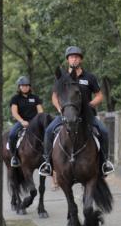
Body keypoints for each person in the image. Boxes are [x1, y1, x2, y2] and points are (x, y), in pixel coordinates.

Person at [39, 46, 114, 177]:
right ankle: (47, 164)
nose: (74, 59)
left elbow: (99, 95)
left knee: (104, 132)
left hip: (87, 115)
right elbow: (54, 96)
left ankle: (104, 163)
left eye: (77, 57)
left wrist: (90, 105)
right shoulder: (62, 78)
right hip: (66, 114)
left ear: (81, 60)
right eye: (72, 57)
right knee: (49, 131)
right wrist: (60, 109)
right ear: (68, 59)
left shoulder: (89, 77)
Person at [8, 76, 44, 167]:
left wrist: (38, 121)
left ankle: (47, 157)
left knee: (47, 133)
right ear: (19, 87)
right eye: (23, 86)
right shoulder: (15, 98)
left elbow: (40, 111)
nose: (25, 87)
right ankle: (14, 157)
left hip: (34, 122)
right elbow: (14, 112)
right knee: (12, 135)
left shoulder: (35, 98)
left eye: (27, 85)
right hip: (22, 121)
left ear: (29, 87)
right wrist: (22, 121)